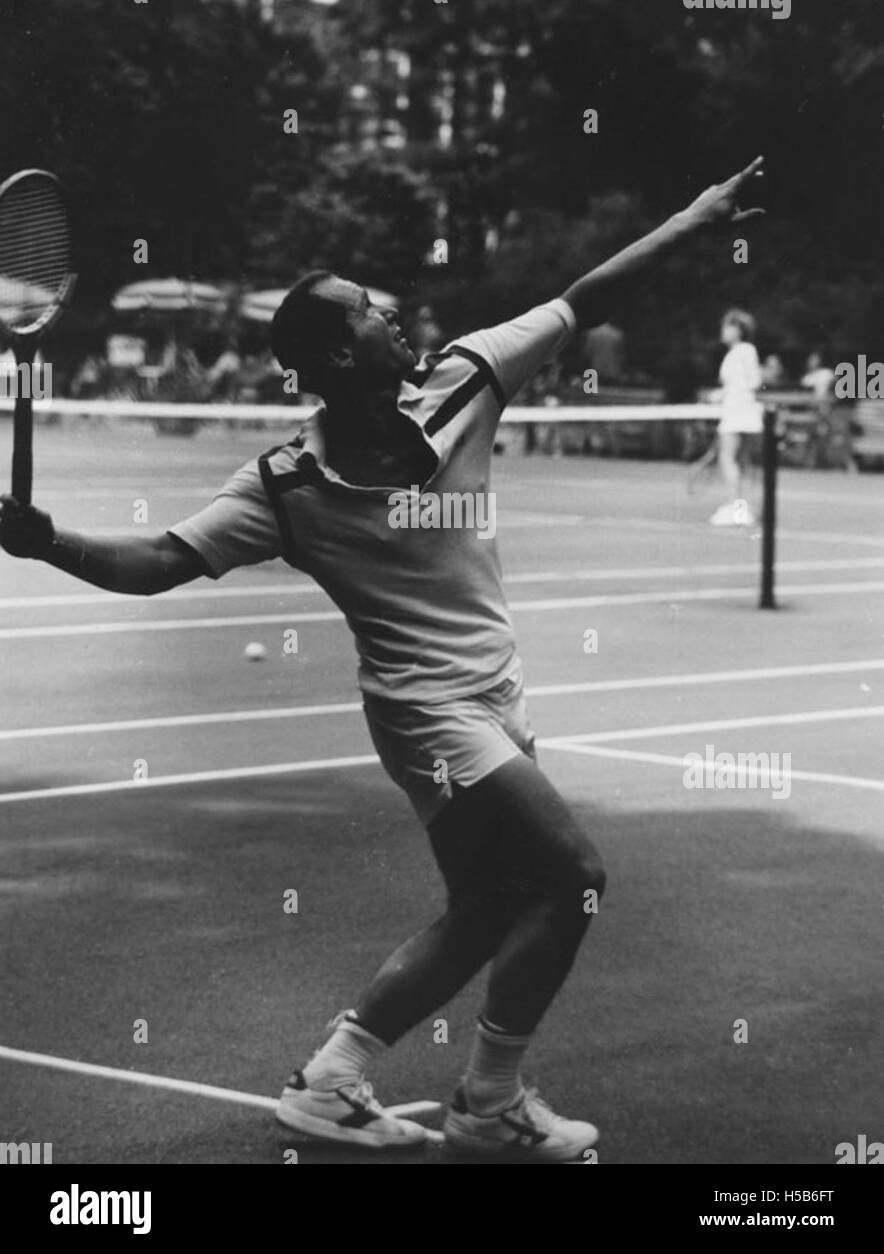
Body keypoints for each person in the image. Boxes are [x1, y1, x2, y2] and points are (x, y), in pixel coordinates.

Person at [0, 157, 764, 1163]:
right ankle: (488, 1104)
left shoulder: (466, 378)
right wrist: (47, 540)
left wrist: (693, 214)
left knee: (487, 905)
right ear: (334, 354)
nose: (393, 315)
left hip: (495, 691)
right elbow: (156, 562)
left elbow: (585, 297)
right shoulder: (283, 484)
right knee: (572, 875)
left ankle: (328, 1080)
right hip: (421, 712)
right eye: (368, 311)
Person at [708, 308, 763, 527]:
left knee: (728, 459)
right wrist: (722, 393)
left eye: (726, 326)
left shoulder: (744, 350)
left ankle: (737, 509)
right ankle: (743, 511)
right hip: (739, 408)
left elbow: (754, 381)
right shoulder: (737, 352)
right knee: (740, 461)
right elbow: (740, 382)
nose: (723, 330)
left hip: (739, 410)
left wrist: (729, 394)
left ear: (738, 329)